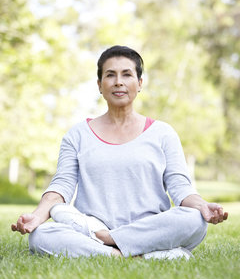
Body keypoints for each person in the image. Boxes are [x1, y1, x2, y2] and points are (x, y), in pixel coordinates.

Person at [11, 45, 228, 260]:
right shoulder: (77, 134)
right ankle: (137, 255)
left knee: (194, 220)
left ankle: (106, 242)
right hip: (97, 224)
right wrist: (37, 216)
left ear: (139, 83)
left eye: (127, 74)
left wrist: (203, 206)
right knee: (40, 235)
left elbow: (180, 188)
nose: (118, 82)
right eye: (110, 75)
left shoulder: (163, 133)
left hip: (147, 228)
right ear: (99, 85)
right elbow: (61, 187)